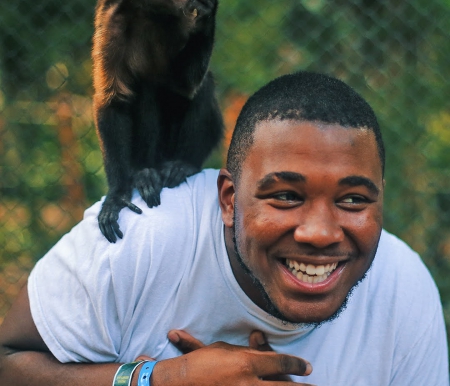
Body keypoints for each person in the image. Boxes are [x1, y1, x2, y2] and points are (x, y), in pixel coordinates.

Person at [0, 71, 448, 385]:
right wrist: (165, 380)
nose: (319, 233)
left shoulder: (402, 287)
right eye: (286, 196)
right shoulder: (142, 235)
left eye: (353, 200)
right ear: (229, 200)